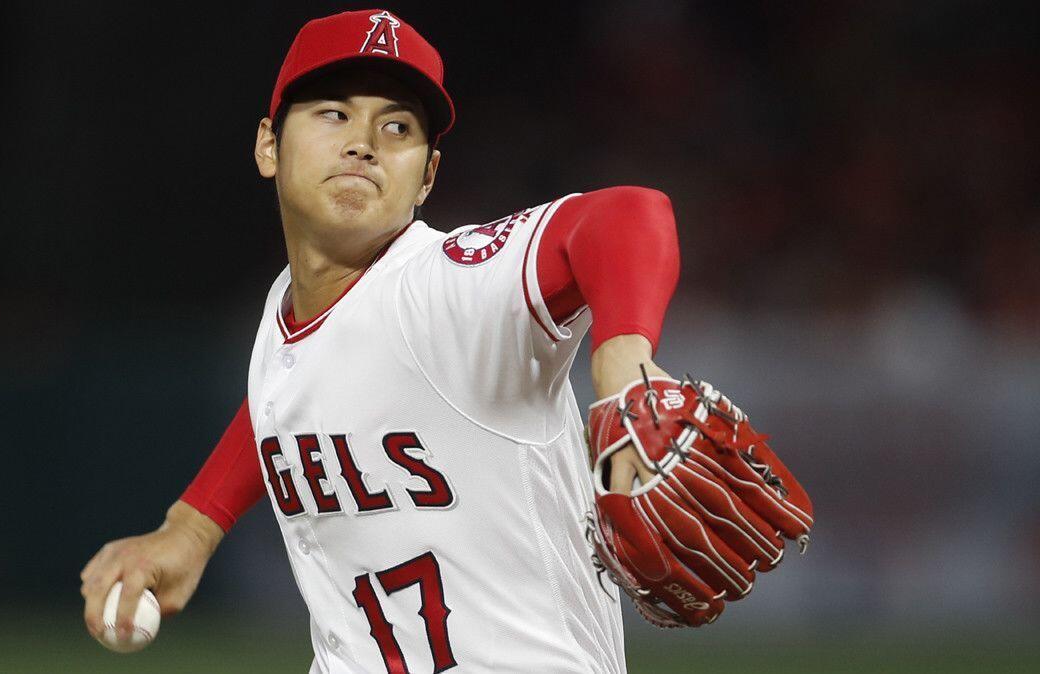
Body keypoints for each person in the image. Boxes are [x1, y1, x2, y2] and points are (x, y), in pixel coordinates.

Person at [80, 9, 683, 672]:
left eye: (397, 127)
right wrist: (191, 528)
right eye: (333, 113)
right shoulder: (292, 308)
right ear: (268, 147)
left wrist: (624, 364)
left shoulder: (445, 288)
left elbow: (625, 215)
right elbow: (293, 392)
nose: (364, 142)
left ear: (426, 177)